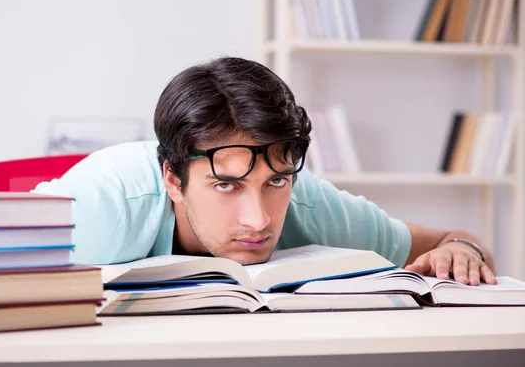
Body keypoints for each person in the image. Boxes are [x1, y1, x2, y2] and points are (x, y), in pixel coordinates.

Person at [34, 56, 496, 286]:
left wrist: (460, 250)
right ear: (173, 179)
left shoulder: (310, 204)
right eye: (226, 184)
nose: (258, 221)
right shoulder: (103, 207)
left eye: (275, 181)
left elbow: (450, 239)